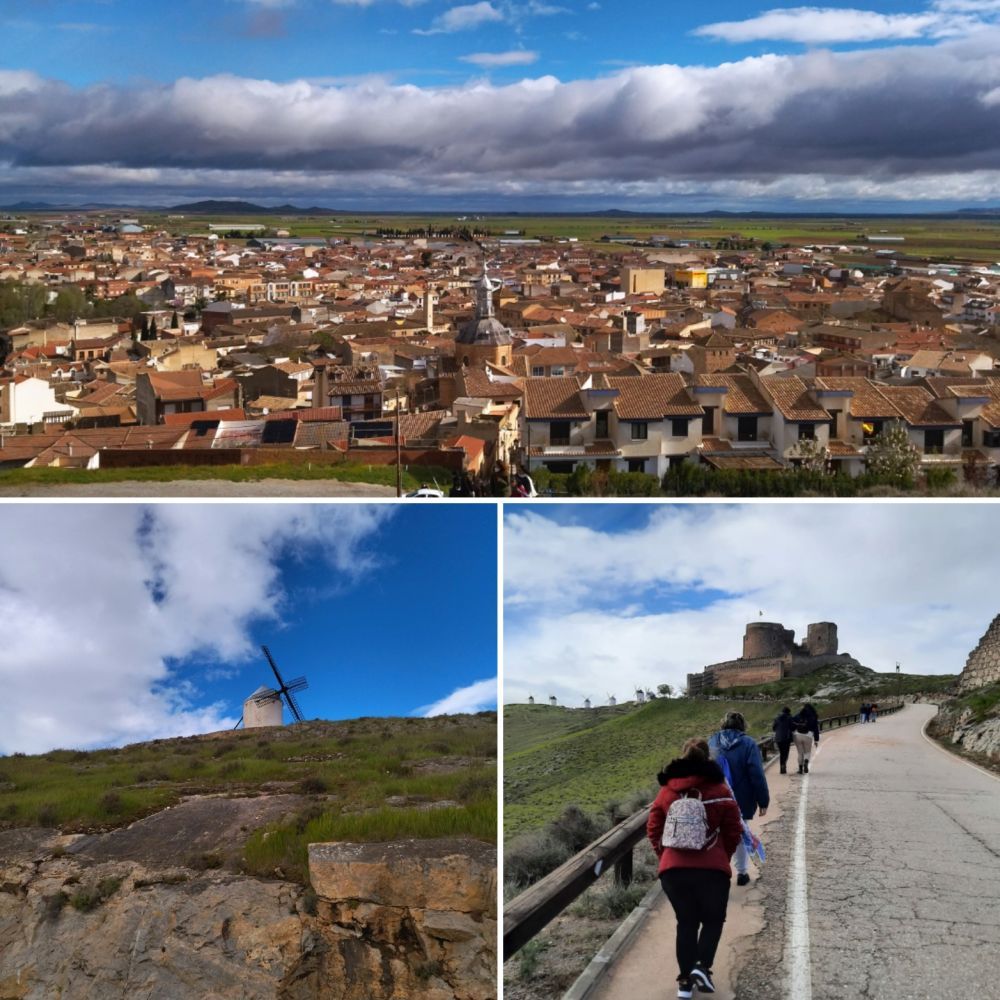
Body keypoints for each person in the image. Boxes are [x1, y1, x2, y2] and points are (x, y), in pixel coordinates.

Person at [647, 738, 742, 999]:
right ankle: (702, 966)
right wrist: (723, 855)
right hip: (712, 870)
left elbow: (653, 828)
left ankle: (685, 984)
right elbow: (734, 830)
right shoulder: (721, 789)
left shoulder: (667, 791)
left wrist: (664, 855)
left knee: (686, 923)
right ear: (707, 759)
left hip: (673, 872)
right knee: (713, 920)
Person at [708, 712, 769, 887]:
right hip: (741, 799)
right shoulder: (748, 743)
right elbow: (757, 774)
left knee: (717, 835)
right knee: (741, 833)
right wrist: (763, 800)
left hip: (716, 797)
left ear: (723, 724)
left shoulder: (712, 741)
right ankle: (742, 873)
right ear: (742, 725)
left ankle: (718, 872)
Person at [791, 702, 820, 774]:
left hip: (798, 735)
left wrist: (793, 730)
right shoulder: (813, 716)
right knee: (807, 752)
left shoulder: (798, 715)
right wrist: (816, 740)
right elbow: (816, 729)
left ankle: (800, 769)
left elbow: (792, 722)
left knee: (800, 753)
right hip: (808, 735)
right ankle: (806, 762)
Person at [772, 706, 794, 774]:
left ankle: (782, 766)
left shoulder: (777, 718)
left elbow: (773, 728)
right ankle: (784, 765)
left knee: (781, 753)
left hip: (778, 738)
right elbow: (792, 727)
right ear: (788, 712)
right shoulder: (789, 718)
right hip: (786, 738)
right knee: (786, 753)